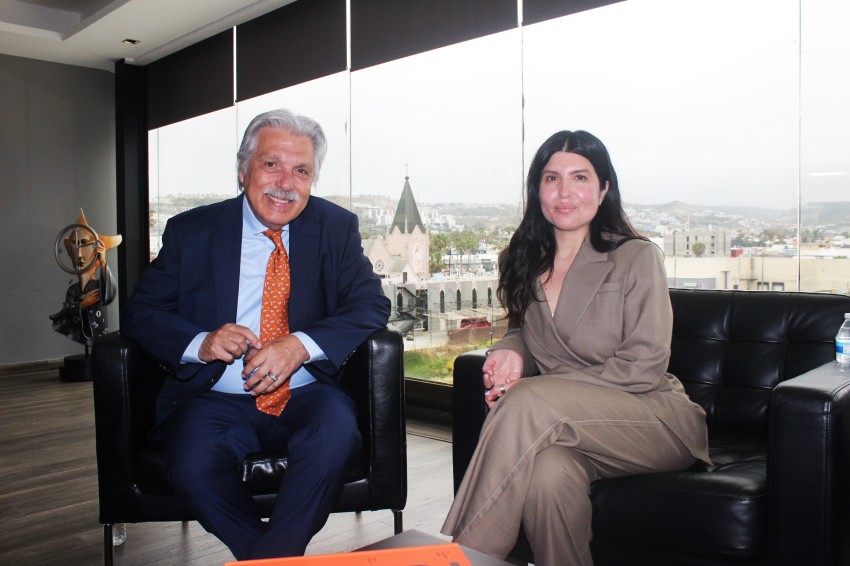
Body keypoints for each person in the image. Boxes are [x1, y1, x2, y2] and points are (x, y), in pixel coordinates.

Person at [122, 109, 391, 560]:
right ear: (243, 168)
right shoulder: (193, 231)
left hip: (306, 392)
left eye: (301, 171)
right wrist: (202, 342)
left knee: (335, 434)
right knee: (190, 460)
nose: (285, 183)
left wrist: (299, 345)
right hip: (214, 396)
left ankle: (265, 558)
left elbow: (371, 304)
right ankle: (274, 558)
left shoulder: (335, 228)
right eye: (271, 164)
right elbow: (141, 313)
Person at [441, 130, 710, 566]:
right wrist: (511, 350)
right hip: (568, 427)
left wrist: (546, 392)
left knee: (528, 401)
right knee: (549, 476)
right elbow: (528, 330)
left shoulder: (637, 257)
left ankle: (463, 556)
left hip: (650, 419)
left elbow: (644, 365)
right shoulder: (520, 259)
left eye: (580, 177)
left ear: (603, 190)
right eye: (552, 178)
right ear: (537, 190)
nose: (564, 192)